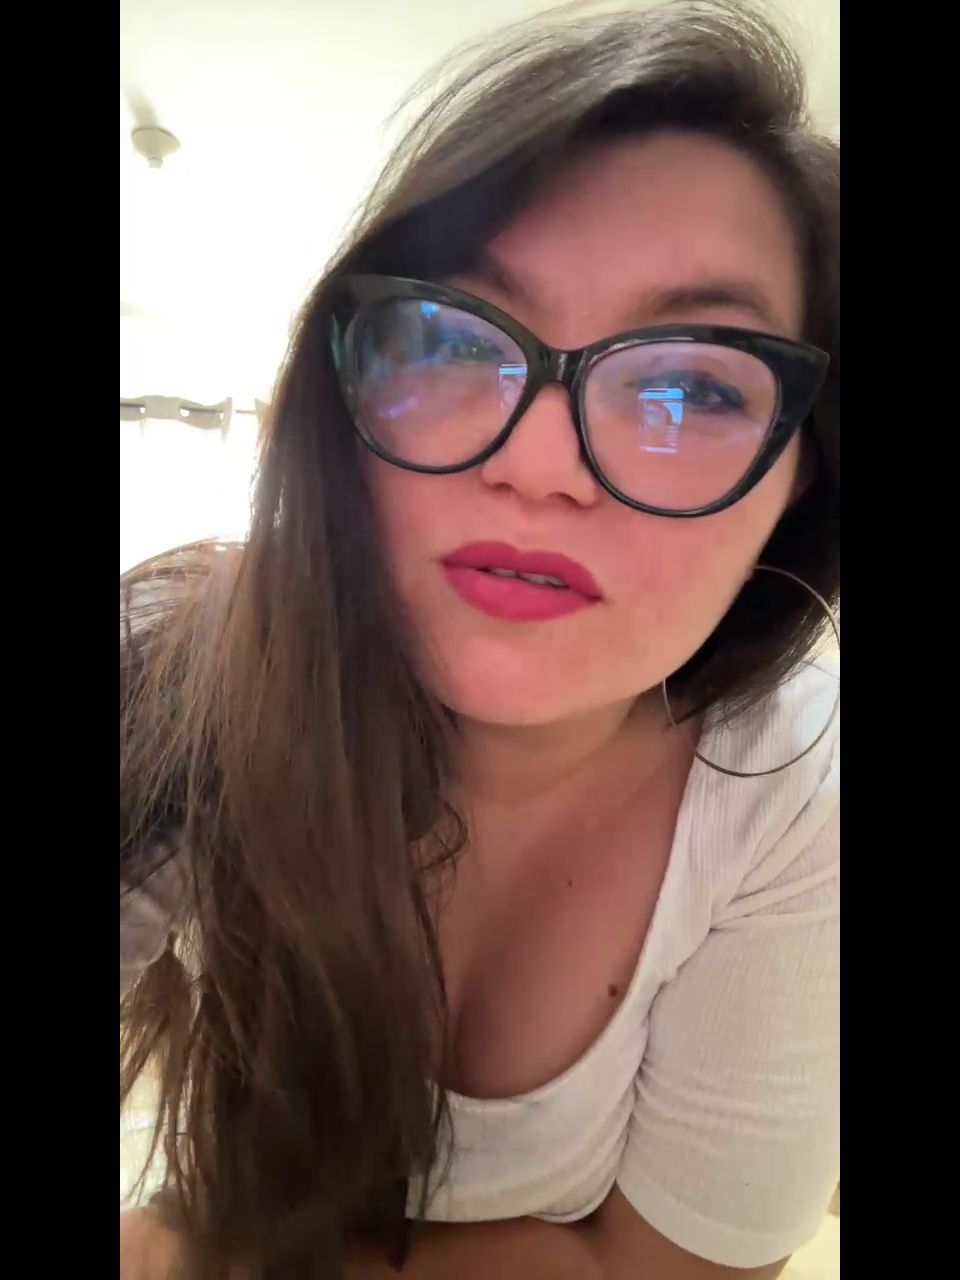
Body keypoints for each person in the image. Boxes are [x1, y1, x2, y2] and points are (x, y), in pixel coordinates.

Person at [119, 2, 840, 1276]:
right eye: (454, 340)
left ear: (800, 481)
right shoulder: (180, 664)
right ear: (341, 392)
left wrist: (200, 1251)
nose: (543, 465)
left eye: (692, 388)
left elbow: (674, 1269)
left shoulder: (798, 777)